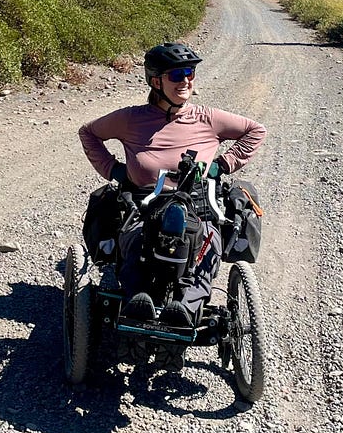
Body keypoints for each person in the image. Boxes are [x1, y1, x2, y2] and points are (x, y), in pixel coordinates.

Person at [77, 42, 266, 327]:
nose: (186, 80)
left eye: (189, 72)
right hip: (144, 204)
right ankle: (138, 300)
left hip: (196, 204)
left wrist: (221, 165)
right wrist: (113, 169)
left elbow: (255, 130)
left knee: (205, 243)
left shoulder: (207, 118)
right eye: (176, 75)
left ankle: (185, 309)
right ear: (156, 81)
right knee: (134, 240)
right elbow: (88, 133)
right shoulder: (131, 119)